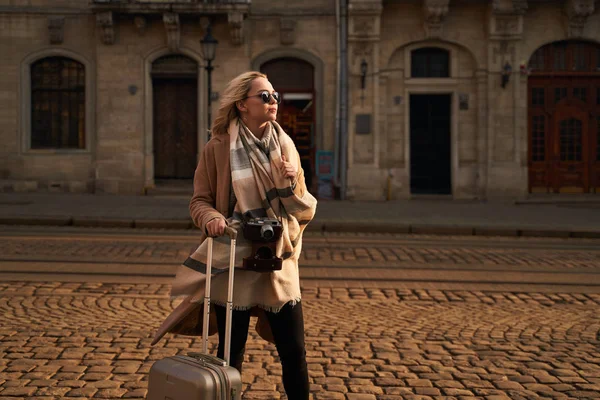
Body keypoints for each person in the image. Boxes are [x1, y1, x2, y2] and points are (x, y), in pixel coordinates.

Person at [160, 71, 317, 400]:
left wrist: (294, 181)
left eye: (275, 95)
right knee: (230, 354)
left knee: (294, 351)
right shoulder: (217, 148)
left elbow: (303, 207)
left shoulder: (286, 146)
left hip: (279, 261)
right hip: (233, 260)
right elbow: (199, 200)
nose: (273, 101)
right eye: (265, 96)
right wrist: (212, 218)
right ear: (242, 105)